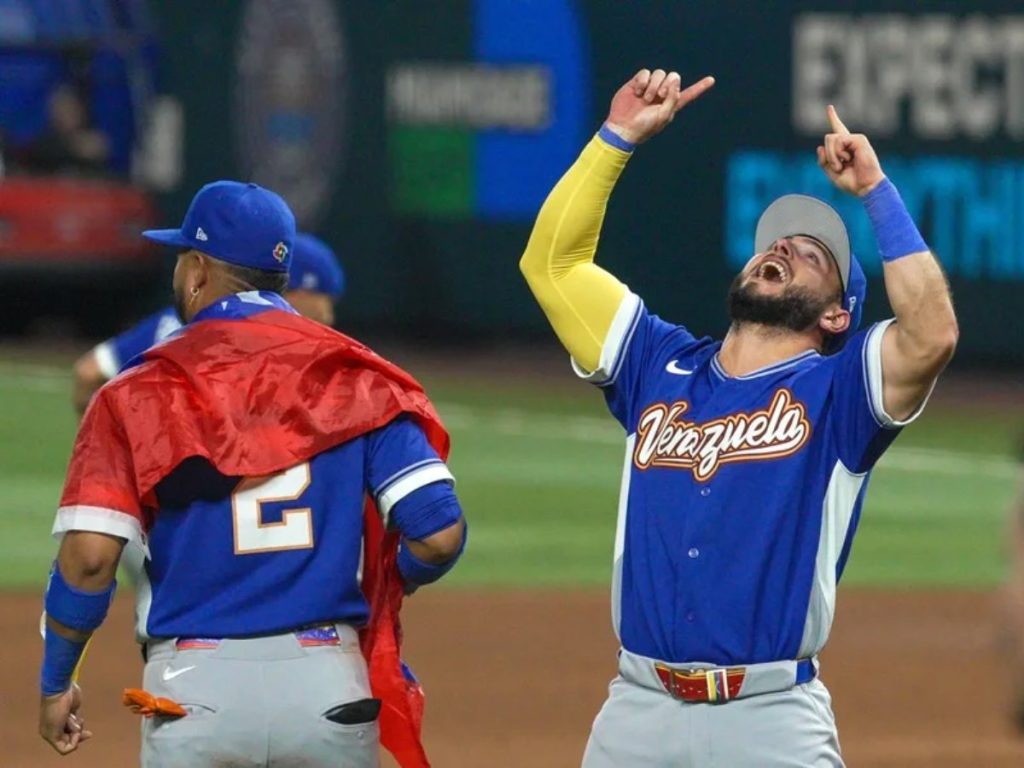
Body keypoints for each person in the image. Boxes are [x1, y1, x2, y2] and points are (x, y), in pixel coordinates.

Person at [520, 68, 957, 766]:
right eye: (775, 242)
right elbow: (551, 266)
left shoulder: (841, 393)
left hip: (771, 720)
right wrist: (616, 138)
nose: (781, 247)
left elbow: (931, 334)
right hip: (636, 711)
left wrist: (876, 193)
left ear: (838, 313)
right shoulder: (653, 360)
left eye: (811, 254)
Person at [38, 181, 466, 767]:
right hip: (329, 691)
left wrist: (57, 681)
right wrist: (397, 578)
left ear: (196, 271)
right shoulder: (357, 376)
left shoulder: (135, 392)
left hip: (194, 690)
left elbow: (89, 559)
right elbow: (437, 533)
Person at [71, 231, 345, 414]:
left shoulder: (175, 321)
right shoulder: (301, 354)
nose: (329, 316)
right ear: (297, 290)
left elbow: (89, 372)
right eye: (326, 301)